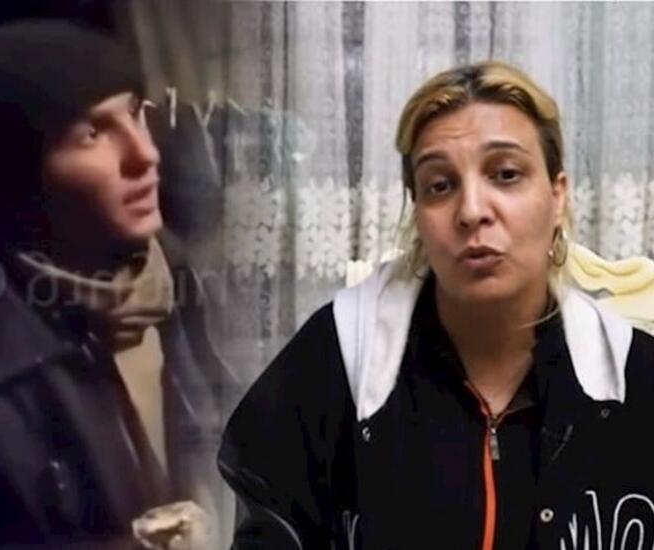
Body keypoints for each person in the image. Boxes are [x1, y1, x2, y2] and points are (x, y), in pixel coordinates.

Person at [218, 61, 654, 549]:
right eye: (440, 185)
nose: (472, 211)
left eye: (506, 174)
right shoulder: (338, 359)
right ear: (417, 210)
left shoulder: (634, 379)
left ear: (557, 196)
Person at [0, 19, 222, 549]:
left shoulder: (187, 298)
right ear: (17, 174)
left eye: (135, 113)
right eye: (93, 133)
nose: (145, 154)